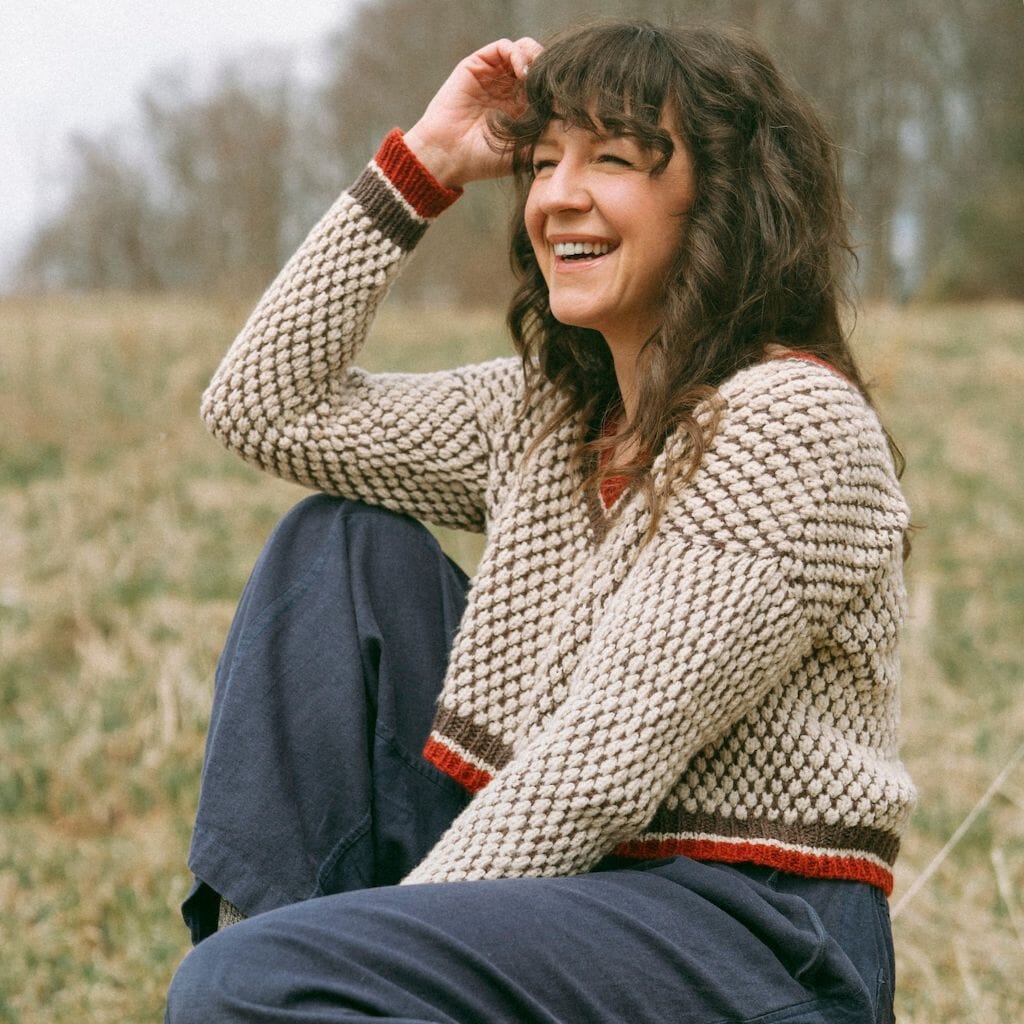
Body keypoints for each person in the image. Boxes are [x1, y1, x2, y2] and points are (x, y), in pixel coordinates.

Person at [166, 19, 915, 1024]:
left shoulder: (791, 422)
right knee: (336, 544)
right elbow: (266, 407)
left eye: (612, 159)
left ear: (723, 200)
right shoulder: (549, 414)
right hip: (574, 900)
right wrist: (425, 164)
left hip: (756, 940)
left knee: (253, 984)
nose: (558, 193)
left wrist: (367, 963)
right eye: (544, 159)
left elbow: (597, 771)